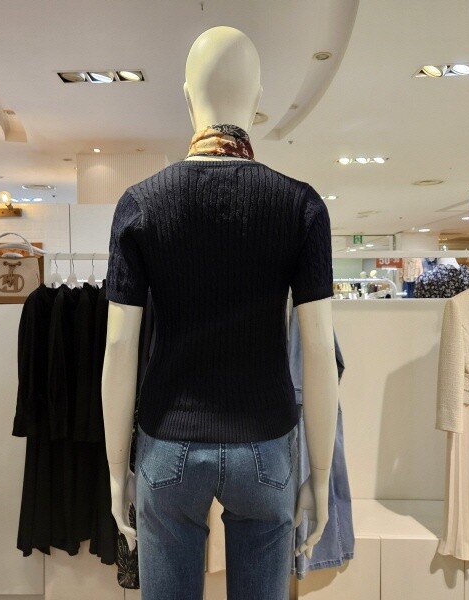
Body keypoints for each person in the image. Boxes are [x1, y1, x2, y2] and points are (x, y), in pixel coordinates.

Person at [102, 26, 338, 600]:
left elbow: (118, 347)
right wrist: (321, 475)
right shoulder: (301, 205)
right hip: (266, 441)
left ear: (187, 99)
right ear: (258, 102)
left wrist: (114, 470)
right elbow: (318, 349)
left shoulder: (140, 204)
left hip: (168, 440)